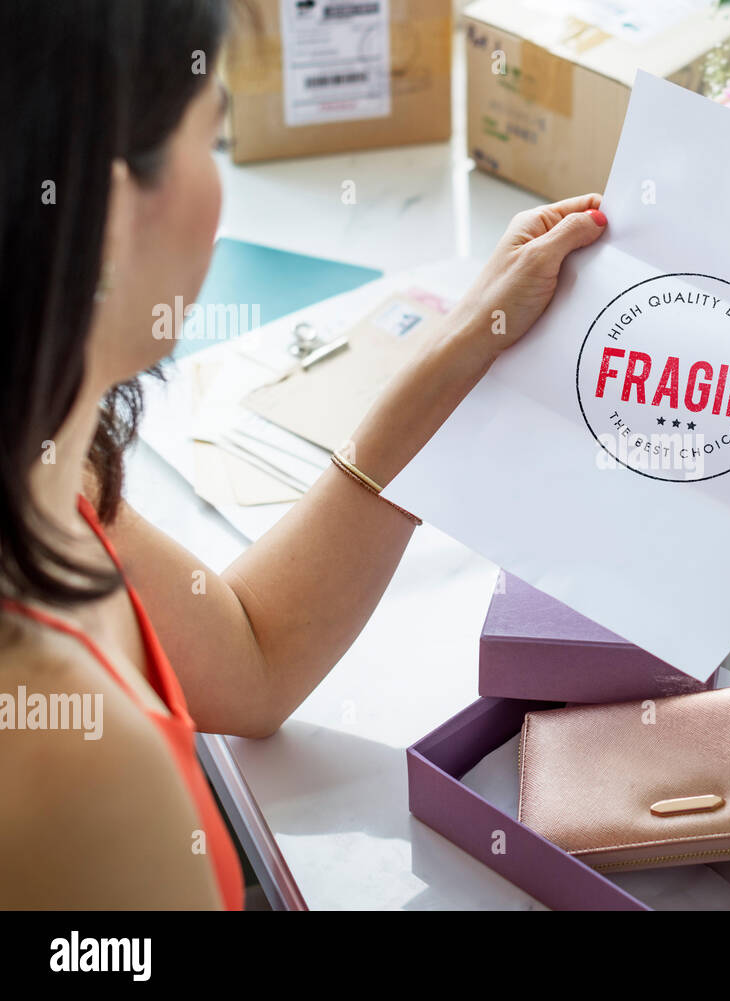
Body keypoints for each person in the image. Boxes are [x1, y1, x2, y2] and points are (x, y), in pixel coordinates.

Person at [0, 1, 606, 908]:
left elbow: (251, 660)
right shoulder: (71, 762)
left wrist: (468, 342)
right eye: (210, 140)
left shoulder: (40, 447)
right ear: (113, 208)